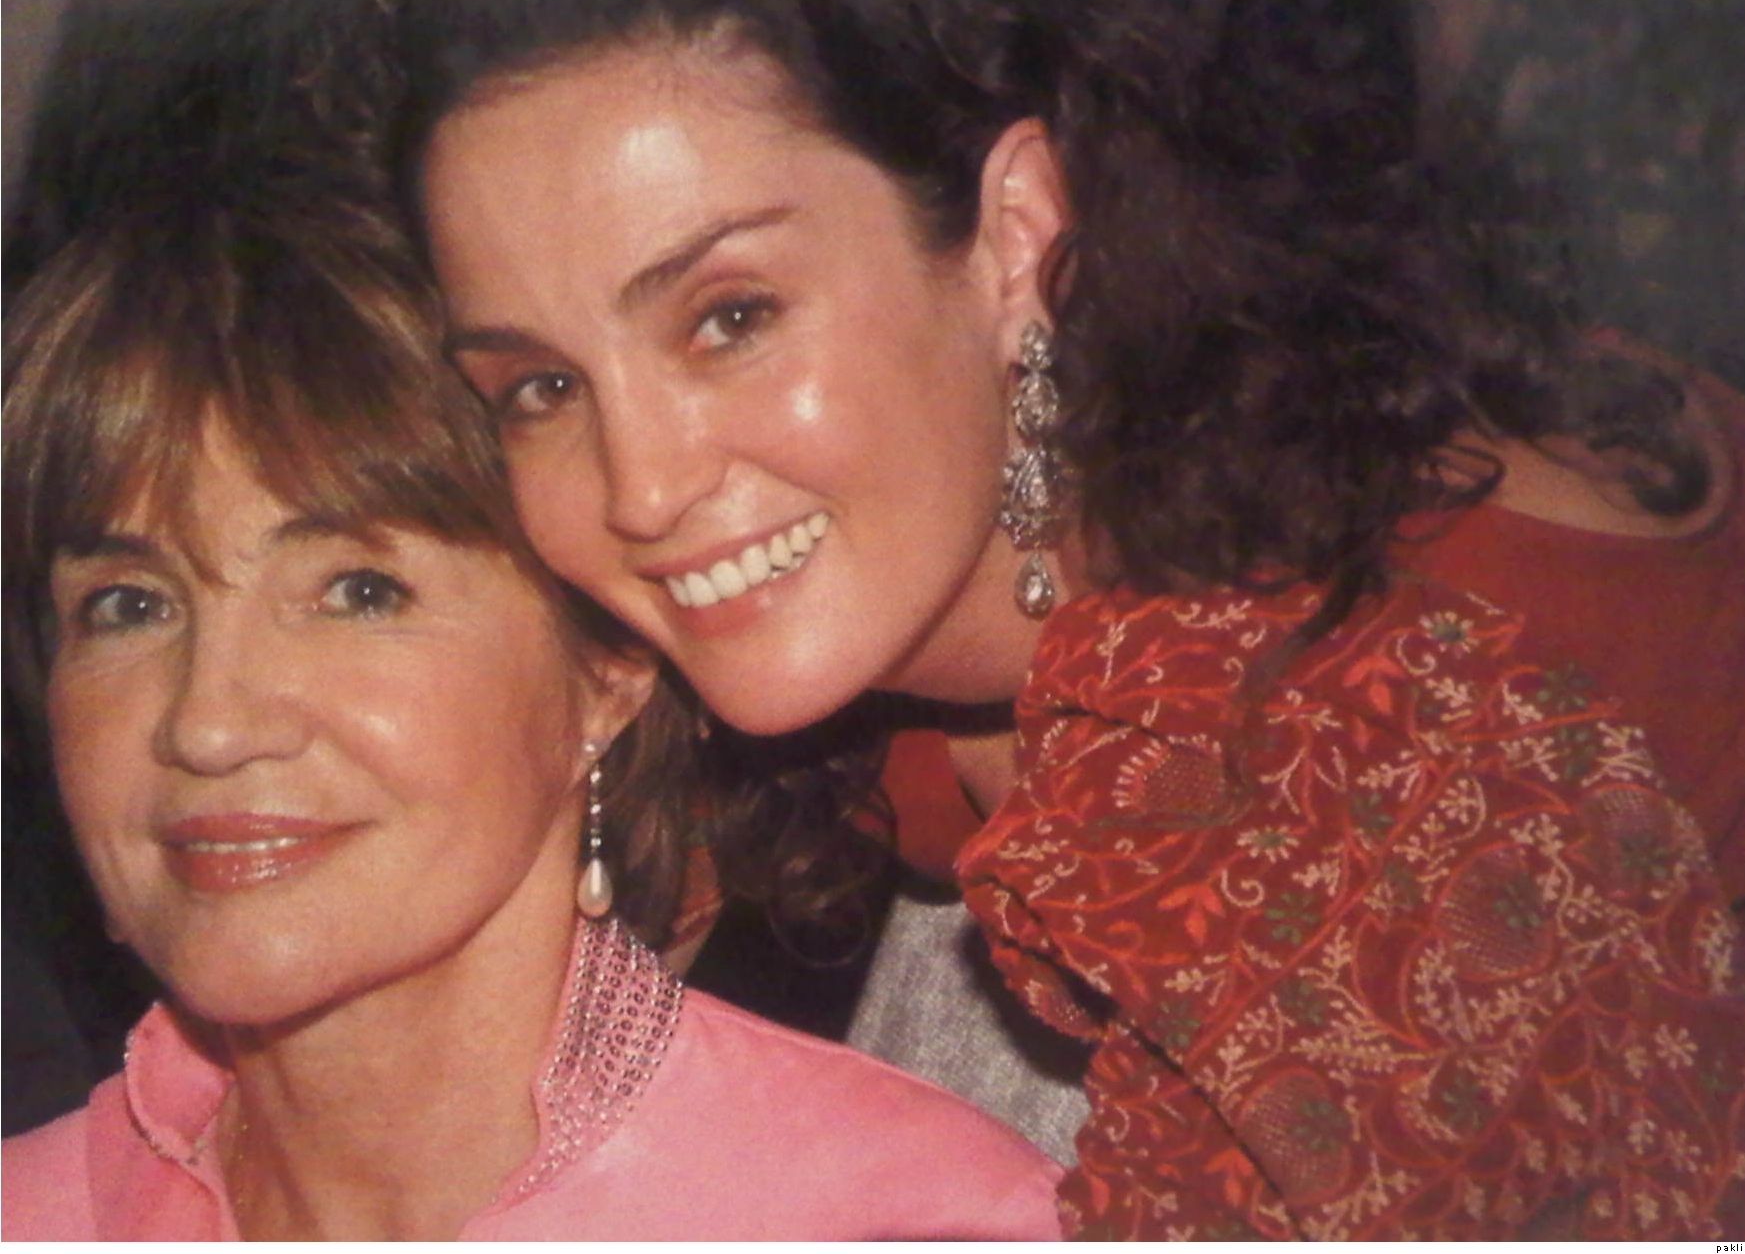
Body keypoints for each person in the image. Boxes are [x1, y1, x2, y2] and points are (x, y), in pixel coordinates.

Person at [403, 0, 1745, 1238]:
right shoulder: (938, 574)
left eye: (730, 317)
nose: (638, 489)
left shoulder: (1365, 733)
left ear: (1015, 234)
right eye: (541, 388)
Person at [0, 175, 1063, 1241]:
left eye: (359, 592)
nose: (207, 723)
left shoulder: (909, 1217)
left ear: (606, 669)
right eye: (127, 604)